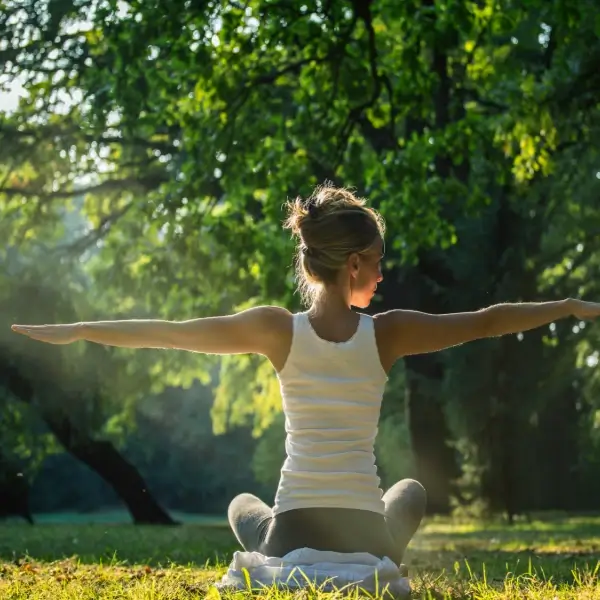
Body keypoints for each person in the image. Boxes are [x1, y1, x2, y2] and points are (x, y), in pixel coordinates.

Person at [11, 184, 600, 568]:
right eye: (377, 263)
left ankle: (294, 545)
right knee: (412, 492)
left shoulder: (276, 329)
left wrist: (82, 328)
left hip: (288, 535)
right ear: (352, 264)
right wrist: (570, 307)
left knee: (244, 502)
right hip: (368, 538)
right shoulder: (388, 332)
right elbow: (486, 322)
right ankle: (376, 551)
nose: (381, 276)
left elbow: (173, 330)